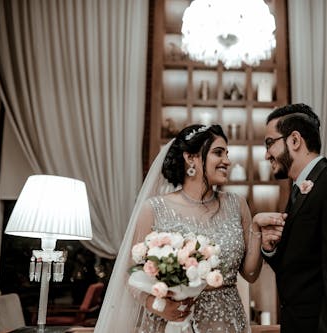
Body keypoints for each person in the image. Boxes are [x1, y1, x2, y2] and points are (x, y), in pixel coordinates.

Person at [95, 124, 284, 333]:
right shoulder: (155, 209)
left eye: (227, 154)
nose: (227, 161)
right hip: (171, 323)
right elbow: (129, 275)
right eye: (218, 153)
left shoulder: (237, 204)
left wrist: (256, 228)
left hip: (227, 321)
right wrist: (158, 305)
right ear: (190, 158)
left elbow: (250, 274)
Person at [260, 104, 327, 333]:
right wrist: (271, 249)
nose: (266, 154)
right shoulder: (299, 190)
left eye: (269, 143)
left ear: (294, 140)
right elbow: (301, 268)